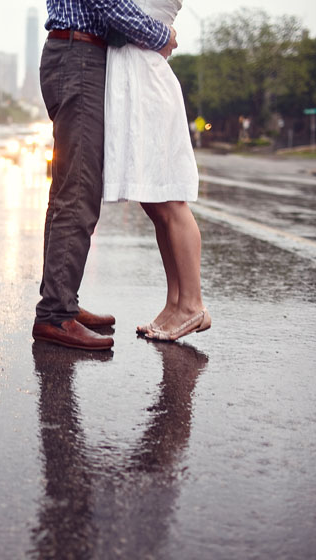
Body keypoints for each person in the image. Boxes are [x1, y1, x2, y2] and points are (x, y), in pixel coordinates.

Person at [32, 0, 179, 351]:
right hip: (78, 58)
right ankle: (55, 315)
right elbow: (109, 4)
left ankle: (60, 300)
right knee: (78, 192)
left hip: (74, 55)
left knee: (68, 190)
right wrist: (163, 35)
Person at [102, 0, 211, 341]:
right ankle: (175, 303)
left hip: (148, 85)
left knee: (170, 200)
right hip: (137, 81)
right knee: (154, 204)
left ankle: (193, 305)